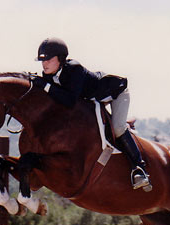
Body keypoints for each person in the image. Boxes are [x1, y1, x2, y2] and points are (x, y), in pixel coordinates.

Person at [31, 37, 152, 192]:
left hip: (114, 92)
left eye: (48, 59)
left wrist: (45, 86)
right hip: (93, 99)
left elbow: (69, 100)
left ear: (60, 59)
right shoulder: (48, 74)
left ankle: (139, 168)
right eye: (42, 60)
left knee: (118, 127)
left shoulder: (74, 69)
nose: (44, 64)